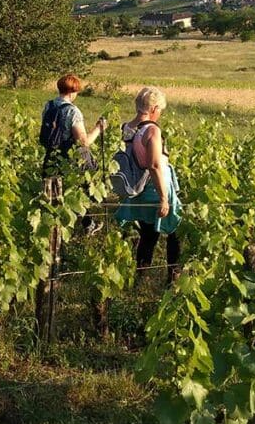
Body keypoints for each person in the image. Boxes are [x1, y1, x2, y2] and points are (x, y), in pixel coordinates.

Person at [114, 86, 182, 284]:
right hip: (156, 188)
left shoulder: (130, 128)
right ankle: (172, 278)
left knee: (148, 235)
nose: (160, 113)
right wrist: (163, 198)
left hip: (141, 189)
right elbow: (154, 165)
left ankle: (141, 278)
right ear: (153, 108)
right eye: (160, 108)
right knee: (174, 231)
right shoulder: (152, 130)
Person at [40, 74, 107, 176]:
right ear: (72, 92)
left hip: (50, 158)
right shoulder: (72, 111)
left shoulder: (48, 106)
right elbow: (83, 142)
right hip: (67, 163)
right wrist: (98, 128)